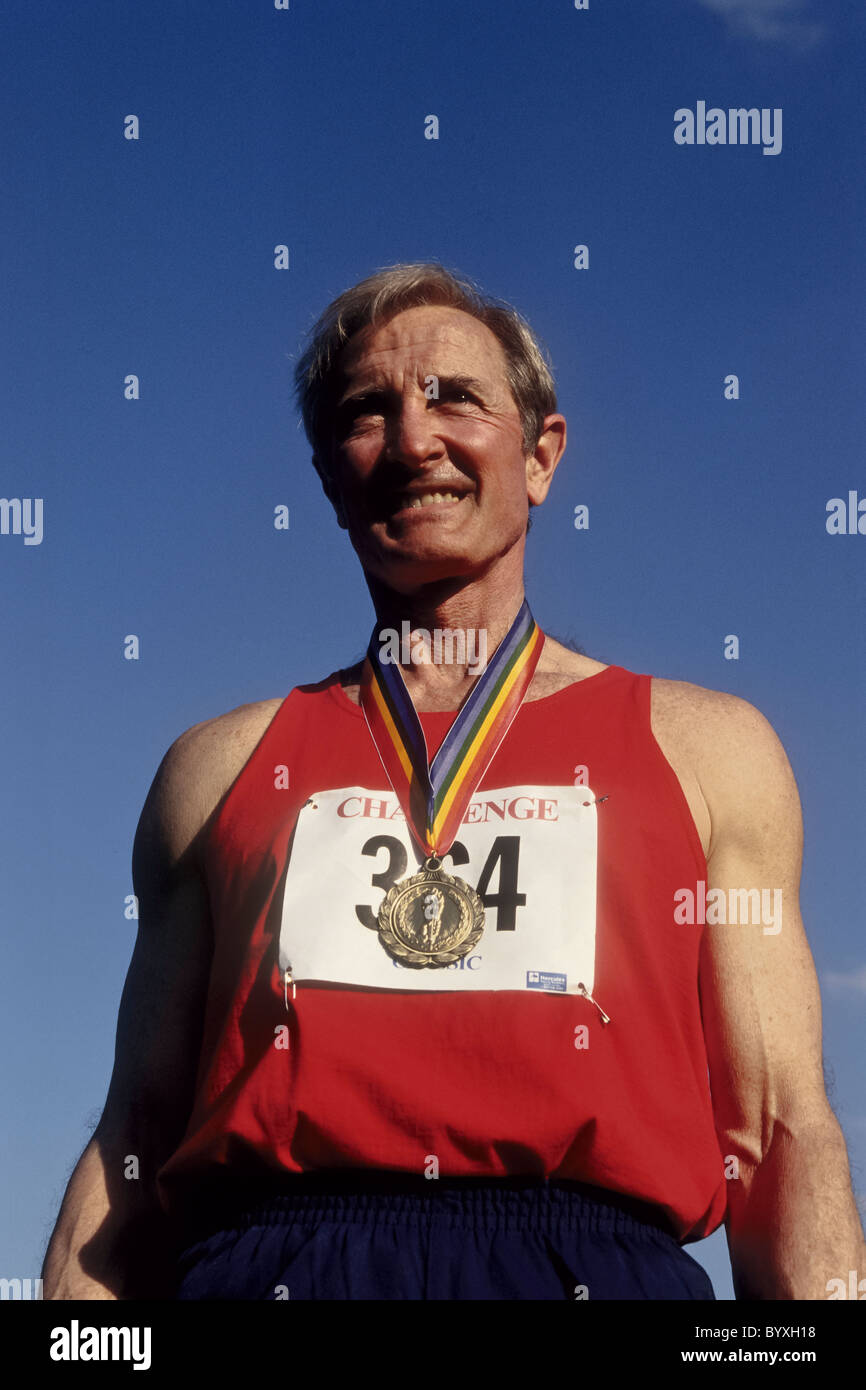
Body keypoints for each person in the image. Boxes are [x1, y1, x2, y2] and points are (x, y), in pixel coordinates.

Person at [42, 262, 865, 1301]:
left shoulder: (709, 749)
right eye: (366, 412)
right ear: (328, 476)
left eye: (455, 398)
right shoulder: (212, 769)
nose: (413, 439)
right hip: (265, 1271)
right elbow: (137, 1130)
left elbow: (778, 1127)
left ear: (540, 456)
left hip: (590, 1272)